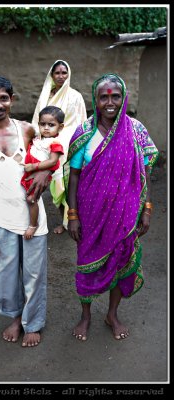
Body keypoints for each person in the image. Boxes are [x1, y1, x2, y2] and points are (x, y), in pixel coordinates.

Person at [64, 73, 159, 342]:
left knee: (121, 262)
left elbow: (144, 174)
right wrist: (72, 215)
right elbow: (74, 176)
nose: (110, 102)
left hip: (126, 215)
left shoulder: (136, 130)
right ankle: (86, 316)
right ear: (95, 99)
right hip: (91, 216)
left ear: (123, 97)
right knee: (87, 264)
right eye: (103, 96)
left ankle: (112, 314)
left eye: (115, 96)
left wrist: (147, 210)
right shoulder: (84, 132)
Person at [0, 75, 52, 347]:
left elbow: (49, 155)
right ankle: (15, 318)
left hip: (32, 218)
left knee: (34, 274)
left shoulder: (27, 130)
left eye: (4, 98)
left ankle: (33, 323)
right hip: (0, 219)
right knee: (5, 273)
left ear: (12, 100)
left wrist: (46, 173)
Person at [32, 60, 87, 234]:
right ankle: (61, 217)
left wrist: (75, 142)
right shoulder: (45, 95)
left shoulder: (75, 96)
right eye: (57, 73)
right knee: (56, 188)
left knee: (69, 183)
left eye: (64, 73)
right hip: (47, 145)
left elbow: (82, 122)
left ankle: (70, 220)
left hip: (68, 146)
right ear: (52, 75)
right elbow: (37, 121)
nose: (61, 76)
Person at [21, 105, 64, 240]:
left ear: (60, 127)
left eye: (51, 125)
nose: (46, 128)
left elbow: (52, 162)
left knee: (31, 199)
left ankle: (33, 225)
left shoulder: (55, 143)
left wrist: (33, 166)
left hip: (37, 175)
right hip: (28, 174)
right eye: (42, 124)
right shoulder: (38, 139)